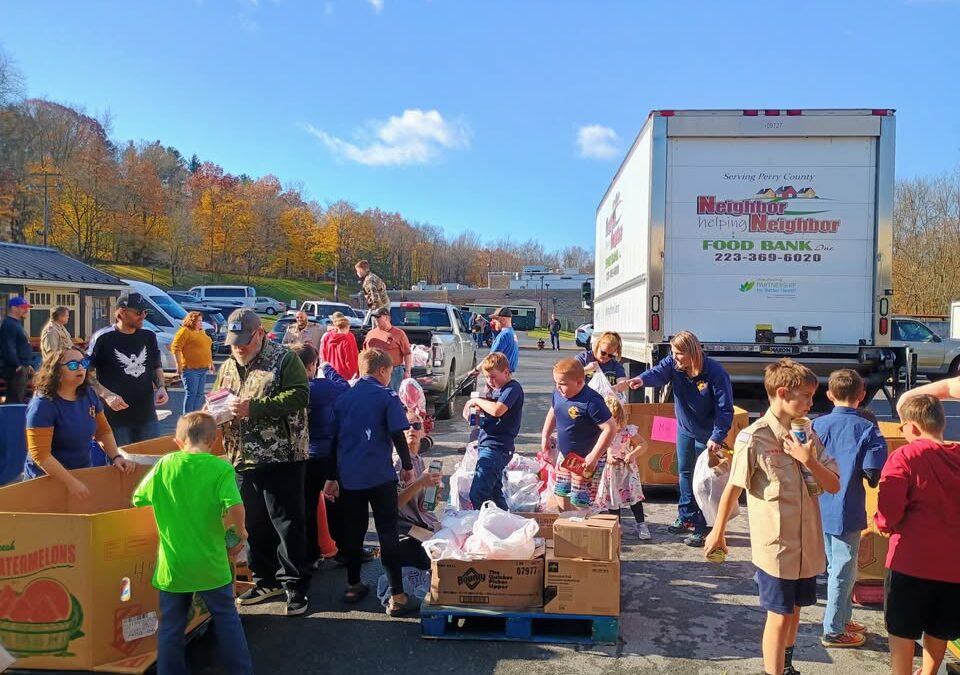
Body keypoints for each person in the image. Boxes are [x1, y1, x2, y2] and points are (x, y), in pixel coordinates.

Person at [705, 358, 840, 675]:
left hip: (806, 546)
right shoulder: (753, 437)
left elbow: (833, 484)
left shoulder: (808, 435)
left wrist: (809, 460)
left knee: (794, 612)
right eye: (805, 396)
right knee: (778, 615)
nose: (811, 402)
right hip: (777, 548)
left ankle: (787, 666)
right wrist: (718, 531)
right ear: (782, 392)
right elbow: (732, 488)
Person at [132, 412, 254, 675]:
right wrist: (239, 533)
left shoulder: (165, 465)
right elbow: (235, 505)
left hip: (173, 563)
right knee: (226, 618)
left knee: (171, 626)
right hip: (211, 561)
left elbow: (139, 500)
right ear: (214, 440)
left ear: (178, 441)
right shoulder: (220, 469)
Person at [216, 309, 312, 616]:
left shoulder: (284, 360)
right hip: (241, 456)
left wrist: (253, 408)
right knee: (253, 523)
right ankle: (264, 579)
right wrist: (215, 410)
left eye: (244, 341)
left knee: (286, 522)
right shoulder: (230, 364)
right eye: (233, 342)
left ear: (260, 334)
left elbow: (300, 396)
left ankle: (295, 586)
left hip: (281, 456)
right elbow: (219, 395)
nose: (238, 347)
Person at [323, 348, 420, 617]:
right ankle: (397, 596)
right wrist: (408, 467)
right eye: (389, 373)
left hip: (350, 478)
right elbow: (398, 434)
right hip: (380, 476)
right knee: (388, 532)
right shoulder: (386, 396)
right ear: (382, 371)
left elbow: (334, 442)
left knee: (354, 531)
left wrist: (331, 478)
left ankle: (353, 584)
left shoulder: (344, 399)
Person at [875, 394, 960, 675]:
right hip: (954, 566)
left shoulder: (906, 455)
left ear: (911, 427)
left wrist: (882, 524)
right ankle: (929, 672)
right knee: (940, 627)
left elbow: (890, 509)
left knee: (901, 629)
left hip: (910, 563)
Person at [628, 330, 733, 547]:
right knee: (684, 472)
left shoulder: (715, 372)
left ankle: (703, 527)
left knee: (703, 482)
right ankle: (686, 516)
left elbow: (725, 409)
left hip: (707, 435)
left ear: (692, 352)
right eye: (673, 353)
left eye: (679, 354)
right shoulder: (674, 365)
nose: (674, 357)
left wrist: (717, 435)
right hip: (685, 428)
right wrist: (641, 379)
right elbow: (658, 372)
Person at [811, 369, 888, 649]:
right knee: (844, 570)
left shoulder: (816, 425)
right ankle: (833, 630)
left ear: (829, 395)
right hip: (847, 508)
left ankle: (842, 618)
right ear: (862, 396)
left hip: (819, 508)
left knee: (836, 567)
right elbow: (872, 473)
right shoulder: (868, 428)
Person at [24, 348, 136, 496]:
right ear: (56, 372)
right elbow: (40, 454)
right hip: (45, 482)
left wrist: (116, 456)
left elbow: (103, 431)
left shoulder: (89, 394)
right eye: (72, 365)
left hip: (81, 474)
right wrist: (70, 482)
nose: (81, 368)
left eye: (83, 363)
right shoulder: (42, 405)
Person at [292, 343, 349, 569]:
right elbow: (344, 386)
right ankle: (342, 549)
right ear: (312, 365)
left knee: (306, 507)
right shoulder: (325, 388)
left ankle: (310, 553)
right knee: (337, 504)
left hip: (303, 455)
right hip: (329, 454)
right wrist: (329, 367)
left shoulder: (292, 390)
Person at [87, 293, 168, 445]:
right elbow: (85, 373)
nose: (143, 316)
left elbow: (155, 365)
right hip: (116, 418)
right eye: (138, 312)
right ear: (122, 312)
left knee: (151, 464)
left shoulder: (149, 336)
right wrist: (107, 395)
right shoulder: (103, 338)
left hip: (147, 414)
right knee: (122, 464)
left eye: (145, 312)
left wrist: (161, 387)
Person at [541, 358, 617, 510]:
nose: (558, 387)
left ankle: (582, 527)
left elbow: (610, 428)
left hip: (585, 459)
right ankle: (568, 522)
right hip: (566, 456)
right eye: (556, 383)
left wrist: (594, 456)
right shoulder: (558, 394)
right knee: (561, 492)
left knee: (581, 499)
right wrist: (545, 436)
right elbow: (553, 411)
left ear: (579, 381)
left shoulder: (591, 401)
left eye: (563, 384)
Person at [465, 352, 524, 510]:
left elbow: (498, 410)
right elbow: (489, 413)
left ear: (506, 372)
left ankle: (487, 526)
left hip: (497, 448)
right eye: (486, 377)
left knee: (478, 494)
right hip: (487, 444)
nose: (490, 381)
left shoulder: (512, 389)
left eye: (493, 377)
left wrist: (477, 400)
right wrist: (475, 411)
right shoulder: (496, 390)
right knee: (494, 493)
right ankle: (505, 525)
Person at [595, 395, 650, 540]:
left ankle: (641, 524)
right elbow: (601, 448)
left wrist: (632, 454)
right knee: (614, 499)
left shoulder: (628, 431)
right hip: (612, 470)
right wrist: (607, 456)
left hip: (627, 469)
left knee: (634, 497)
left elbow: (643, 445)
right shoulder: (603, 432)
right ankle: (616, 526)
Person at [394, 410, 441, 571]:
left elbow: (423, 508)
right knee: (439, 557)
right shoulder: (397, 461)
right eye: (406, 426)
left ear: (423, 432)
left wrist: (432, 493)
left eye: (416, 425)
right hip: (404, 531)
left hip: (420, 525)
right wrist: (421, 482)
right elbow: (393, 505)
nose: (411, 429)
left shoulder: (419, 460)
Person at [171, 311, 214, 415]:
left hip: (203, 369)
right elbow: (176, 348)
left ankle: (195, 415)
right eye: (198, 321)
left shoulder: (201, 332)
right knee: (192, 393)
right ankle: (188, 416)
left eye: (201, 320)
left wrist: (210, 363)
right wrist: (178, 364)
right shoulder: (184, 331)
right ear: (191, 321)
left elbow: (206, 348)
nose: (200, 323)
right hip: (190, 369)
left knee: (199, 394)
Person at [363, 307, 412, 392]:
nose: (376, 320)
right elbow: (364, 354)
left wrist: (407, 371)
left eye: (378, 317)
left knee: (393, 397)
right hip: (374, 372)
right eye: (375, 317)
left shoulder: (399, 333)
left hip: (394, 373)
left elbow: (407, 353)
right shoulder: (371, 334)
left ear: (387, 318)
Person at [0, 295, 33, 404]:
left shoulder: (16, 323)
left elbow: (20, 345)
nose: (25, 310)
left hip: (22, 365)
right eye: (23, 307)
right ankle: (10, 420)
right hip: (15, 369)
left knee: (20, 395)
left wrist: (27, 364)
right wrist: (17, 364)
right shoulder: (9, 324)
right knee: (15, 398)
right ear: (14, 308)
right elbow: (8, 346)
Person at [322, 314, 359, 380]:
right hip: (344, 375)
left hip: (330, 373)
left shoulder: (327, 337)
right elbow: (350, 360)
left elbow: (323, 355)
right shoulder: (347, 339)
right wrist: (354, 375)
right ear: (346, 327)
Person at [488, 307, 519, 373]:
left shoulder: (504, 335)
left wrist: (476, 369)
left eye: (496, 319)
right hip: (507, 373)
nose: (493, 322)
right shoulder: (511, 333)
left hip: (500, 373)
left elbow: (492, 357)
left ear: (503, 319)